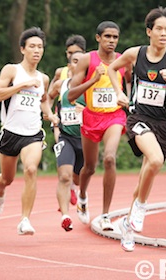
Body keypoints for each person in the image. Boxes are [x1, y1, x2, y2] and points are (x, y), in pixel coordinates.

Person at [107, 6, 166, 251]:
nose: (163, 34)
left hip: (164, 125)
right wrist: (119, 93)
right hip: (139, 118)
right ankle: (141, 209)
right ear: (149, 31)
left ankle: (127, 225)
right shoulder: (135, 54)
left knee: (143, 179)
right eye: (159, 29)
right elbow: (111, 69)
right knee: (155, 160)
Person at [0, 27, 59, 236]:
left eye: (40, 47)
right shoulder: (11, 71)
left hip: (33, 133)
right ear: (23, 49)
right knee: (8, 179)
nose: (37, 50)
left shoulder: (44, 78)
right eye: (32, 46)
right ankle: (0, 190)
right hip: (10, 132)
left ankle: (25, 219)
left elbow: (43, 100)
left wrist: (50, 115)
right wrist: (21, 86)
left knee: (30, 169)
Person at [68, 21, 131, 231]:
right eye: (107, 37)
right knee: (89, 167)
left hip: (114, 116)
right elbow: (71, 95)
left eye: (115, 37)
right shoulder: (87, 60)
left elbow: (129, 84)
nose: (111, 41)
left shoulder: (123, 60)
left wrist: (127, 99)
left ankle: (105, 215)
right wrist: (92, 81)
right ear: (98, 38)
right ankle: (83, 196)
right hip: (91, 117)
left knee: (110, 159)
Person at [47, 51, 86, 231]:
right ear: (69, 66)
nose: (78, 65)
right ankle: (65, 215)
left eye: (82, 61)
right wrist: (50, 115)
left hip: (86, 140)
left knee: (78, 180)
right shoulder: (60, 85)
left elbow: (104, 111)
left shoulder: (91, 87)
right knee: (64, 176)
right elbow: (46, 98)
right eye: (75, 61)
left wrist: (85, 112)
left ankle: (82, 196)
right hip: (66, 137)